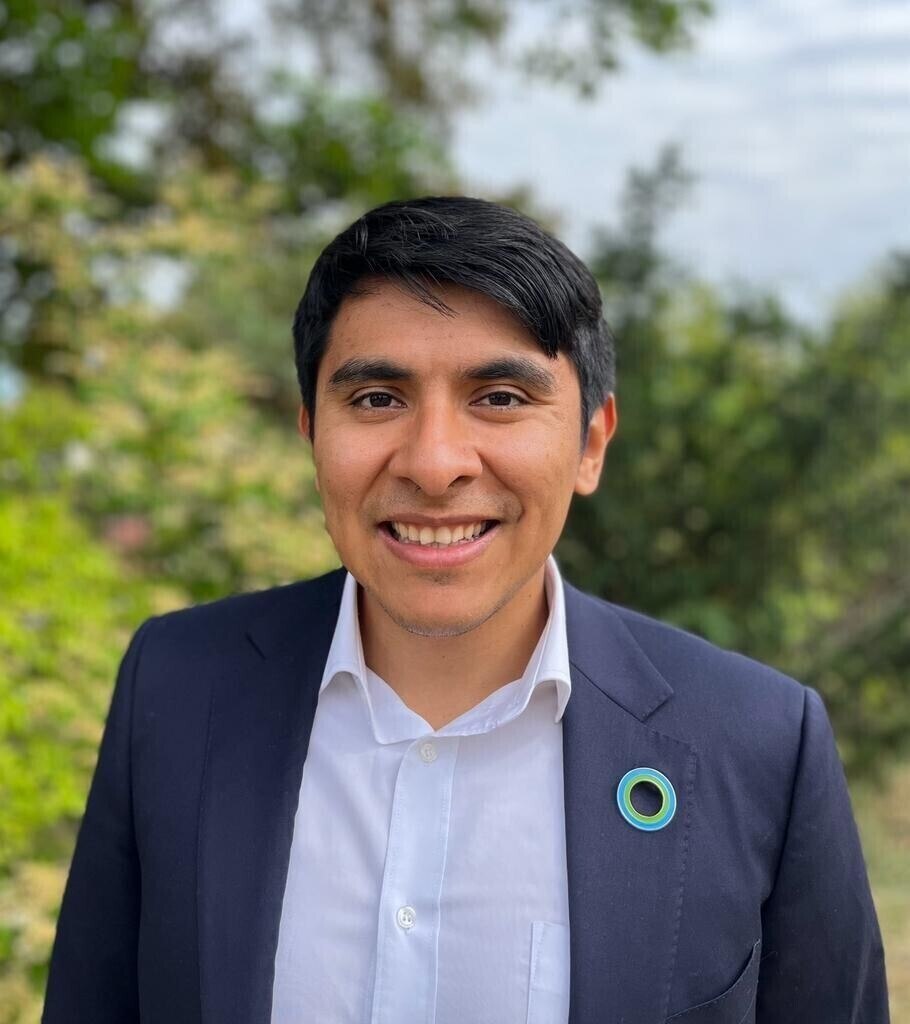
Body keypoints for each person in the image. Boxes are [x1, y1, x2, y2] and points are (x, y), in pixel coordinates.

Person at [43, 196, 888, 1024]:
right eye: (377, 399)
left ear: (592, 443)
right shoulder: (178, 685)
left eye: (501, 397)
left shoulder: (758, 741)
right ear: (311, 434)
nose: (435, 463)